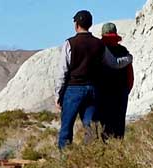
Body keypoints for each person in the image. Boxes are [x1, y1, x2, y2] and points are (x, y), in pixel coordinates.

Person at [55, 10, 132, 149]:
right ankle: (91, 156)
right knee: (91, 128)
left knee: (66, 127)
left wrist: (58, 94)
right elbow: (114, 63)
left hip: (73, 89)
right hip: (93, 90)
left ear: (76, 24)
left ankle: (64, 161)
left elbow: (63, 72)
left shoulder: (69, 44)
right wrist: (128, 58)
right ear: (90, 24)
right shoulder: (98, 44)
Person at [97, 22, 134, 140]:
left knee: (105, 124)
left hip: (103, 93)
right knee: (119, 124)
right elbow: (130, 76)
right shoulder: (124, 51)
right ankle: (118, 151)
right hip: (121, 92)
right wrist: (126, 90)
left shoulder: (99, 51)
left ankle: (106, 152)